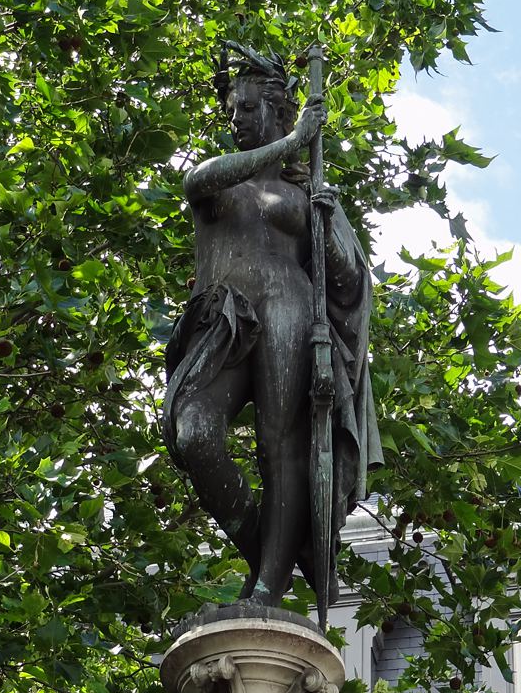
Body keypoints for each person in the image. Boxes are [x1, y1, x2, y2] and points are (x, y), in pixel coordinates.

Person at [163, 42, 382, 608]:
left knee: (279, 447)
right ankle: (279, 552)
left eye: (248, 108)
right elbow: (196, 184)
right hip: (222, 318)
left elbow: (349, 284)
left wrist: (328, 221)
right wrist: (294, 143)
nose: (235, 118)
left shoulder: (305, 196)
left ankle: (268, 585)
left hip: (288, 305)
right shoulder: (219, 182)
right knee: (194, 434)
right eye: (232, 109)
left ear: (279, 110)